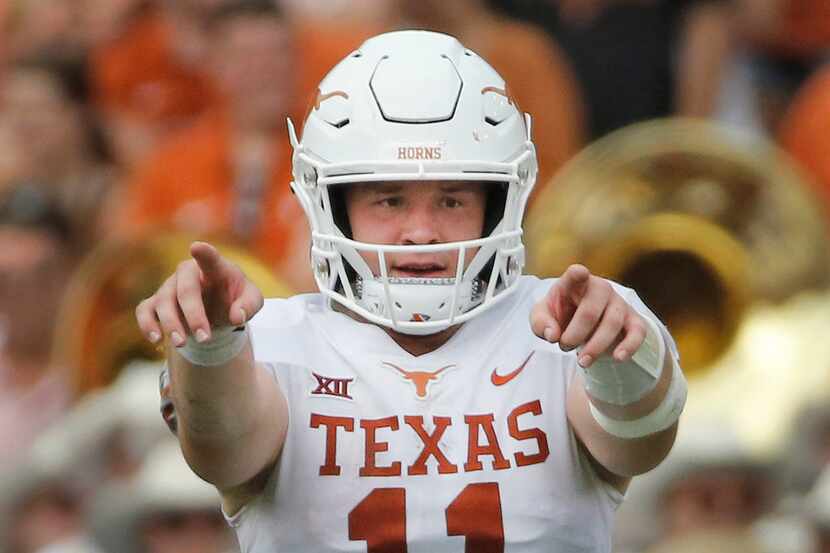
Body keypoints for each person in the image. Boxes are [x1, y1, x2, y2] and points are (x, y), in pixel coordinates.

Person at [136, 30, 687, 551]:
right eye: (389, 200)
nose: (421, 230)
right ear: (334, 207)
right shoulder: (273, 340)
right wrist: (209, 343)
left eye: (452, 200)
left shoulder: (568, 320)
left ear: (497, 205)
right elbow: (223, 447)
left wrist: (615, 355)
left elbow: (641, 438)